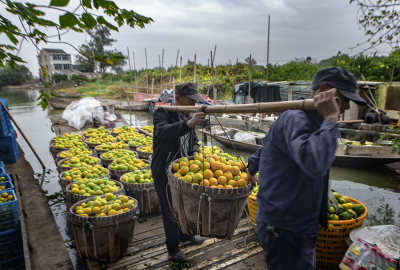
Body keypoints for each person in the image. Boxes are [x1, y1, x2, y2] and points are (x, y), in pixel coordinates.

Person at [247, 67, 366, 269]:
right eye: (343, 98)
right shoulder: (296, 118)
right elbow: (314, 163)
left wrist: (251, 167)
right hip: (285, 227)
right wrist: (330, 119)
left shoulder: (311, 120)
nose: (345, 106)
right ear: (324, 90)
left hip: (299, 223)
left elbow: (268, 144)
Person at [151, 82, 206, 262]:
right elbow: (162, 132)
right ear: (178, 99)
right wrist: (188, 123)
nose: (192, 106)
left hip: (183, 172)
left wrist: (196, 151)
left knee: (186, 206)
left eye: (194, 102)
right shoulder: (162, 112)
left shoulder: (187, 114)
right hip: (164, 170)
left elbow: (193, 139)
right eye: (190, 102)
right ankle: (173, 247)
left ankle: (186, 235)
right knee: (170, 210)